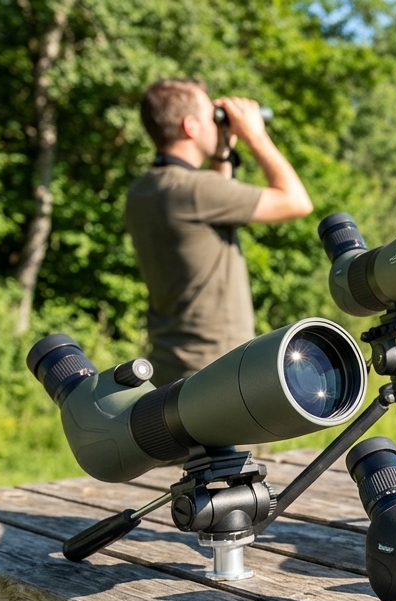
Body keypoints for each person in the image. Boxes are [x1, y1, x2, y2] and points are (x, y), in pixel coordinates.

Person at [125, 79, 313, 386]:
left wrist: (222, 151)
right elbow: (297, 202)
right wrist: (255, 136)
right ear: (190, 127)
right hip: (219, 370)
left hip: (170, 365)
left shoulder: (143, 191)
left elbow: (214, 199)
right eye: (212, 116)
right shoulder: (195, 190)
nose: (218, 123)